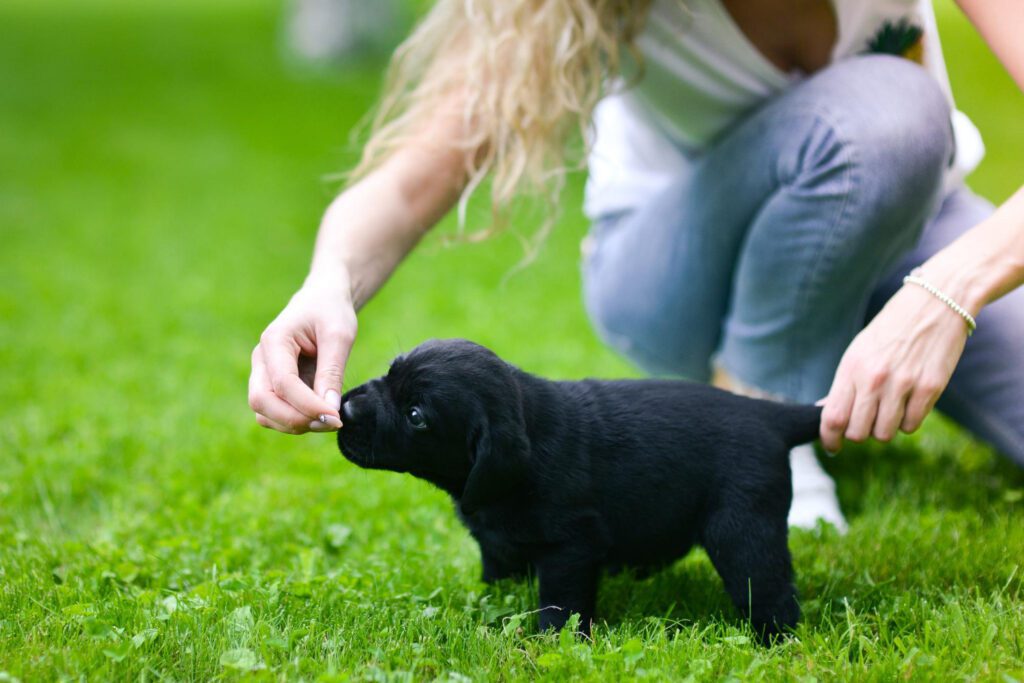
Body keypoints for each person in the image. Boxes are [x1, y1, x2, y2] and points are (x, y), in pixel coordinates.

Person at [248, 0, 1024, 531]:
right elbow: (412, 179)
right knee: (891, 115)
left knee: (893, 130)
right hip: (675, 271)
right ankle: (761, 407)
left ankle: (834, 334)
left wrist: (949, 289)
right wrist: (329, 282)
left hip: (912, 231)